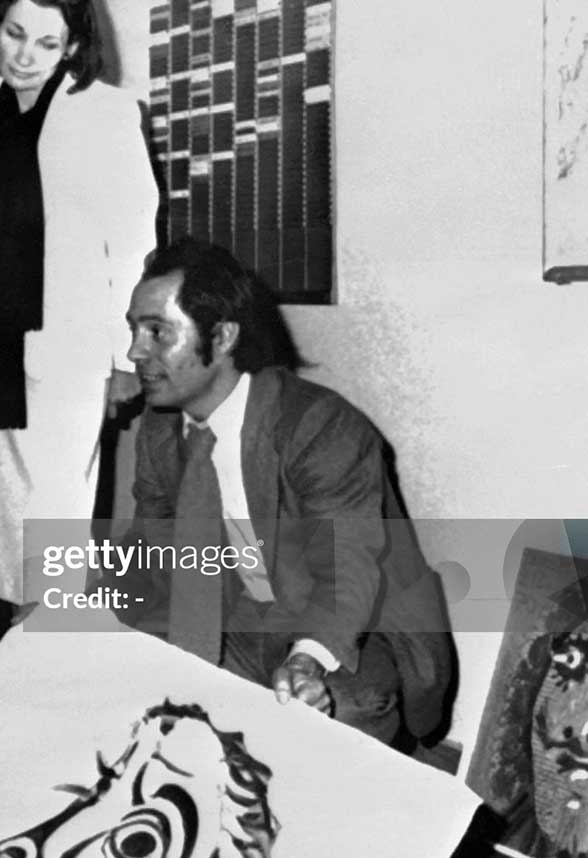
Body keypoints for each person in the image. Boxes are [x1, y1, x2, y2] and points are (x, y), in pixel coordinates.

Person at [112, 237, 454, 746]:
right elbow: (152, 548)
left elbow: (348, 572)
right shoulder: (161, 430)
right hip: (247, 614)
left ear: (223, 336)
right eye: (135, 330)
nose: (136, 352)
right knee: (134, 690)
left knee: (335, 711)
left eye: (158, 332)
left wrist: (306, 661)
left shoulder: (320, 427)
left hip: (363, 624)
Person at [0, 0, 158, 605]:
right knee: (9, 508)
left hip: (76, 343)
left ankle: (54, 659)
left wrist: (126, 355)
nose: (25, 56)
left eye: (47, 43)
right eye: (15, 34)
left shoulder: (107, 112)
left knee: (60, 514)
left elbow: (132, 242)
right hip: (0, 337)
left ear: (73, 46)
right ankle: (18, 654)